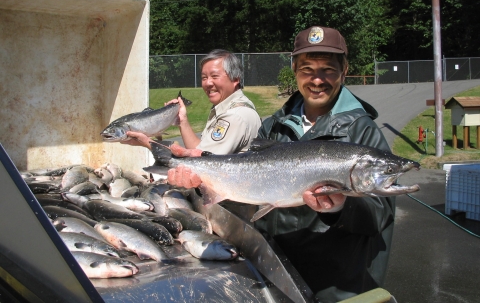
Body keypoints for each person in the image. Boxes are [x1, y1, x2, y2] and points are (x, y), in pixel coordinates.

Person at [167, 26, 395, 302]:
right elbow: (246, 186)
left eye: (328, 70)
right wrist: (203, 167)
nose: (317, 80)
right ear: (294, 70)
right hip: (278, 274)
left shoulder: (363, 132)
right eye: (307, 69)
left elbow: (380, 215)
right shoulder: (272, 127)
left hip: (335, 286)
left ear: (344, 70)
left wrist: (340, 207)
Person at [122, 49, 261, 158]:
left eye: (214, 76)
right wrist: (182, 120)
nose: (208, 83)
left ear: (235, 79)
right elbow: (198, 150)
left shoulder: (234, 117)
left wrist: (148, 142)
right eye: (204, 77)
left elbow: (200, 164)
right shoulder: (233, 107)